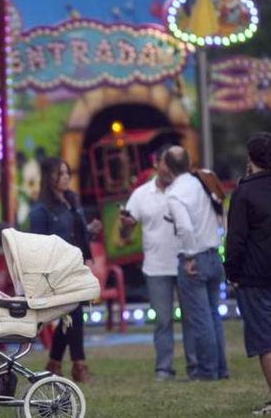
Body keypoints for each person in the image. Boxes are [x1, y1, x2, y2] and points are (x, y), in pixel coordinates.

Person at [224, 133, 271, 415]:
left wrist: (232, 271)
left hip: (256, 277)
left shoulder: (244, 192)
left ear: (250, 159)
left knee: (267, 342)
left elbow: (236, 239)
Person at [30, 157, 101, 384]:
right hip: (56, 271)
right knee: (74, 314)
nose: (65, 178)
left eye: (67, 173)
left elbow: (74, 234)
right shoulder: (41, 210)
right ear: (49, 177)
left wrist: (89, 231)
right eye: (60, 174)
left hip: (75, 266)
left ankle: (54, 363)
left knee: (70, 316)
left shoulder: (72, 201)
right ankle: (79, 365)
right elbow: (39, 245)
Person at [164, 145, 228, 381]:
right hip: (213, 253)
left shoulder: (175, 193)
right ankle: (221, 369)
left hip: (195, 257)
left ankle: (207, 371)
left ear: (168, 167)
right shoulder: (204, 179)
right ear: (189, 162)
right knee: (213, 316)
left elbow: (184, 227)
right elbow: (221, 209)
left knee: (200, 320)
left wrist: (190, 257)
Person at [121, 145, 184, 381]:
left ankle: (199, 367)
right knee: (162, 321)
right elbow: (125, 234)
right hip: (156, 267)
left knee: (193, 319)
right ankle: (164, 368)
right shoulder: (140, 194)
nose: (170, 169)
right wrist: (125, 225)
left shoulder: (185, 190)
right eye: (166, 163)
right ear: (156, 164)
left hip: (186, 263)